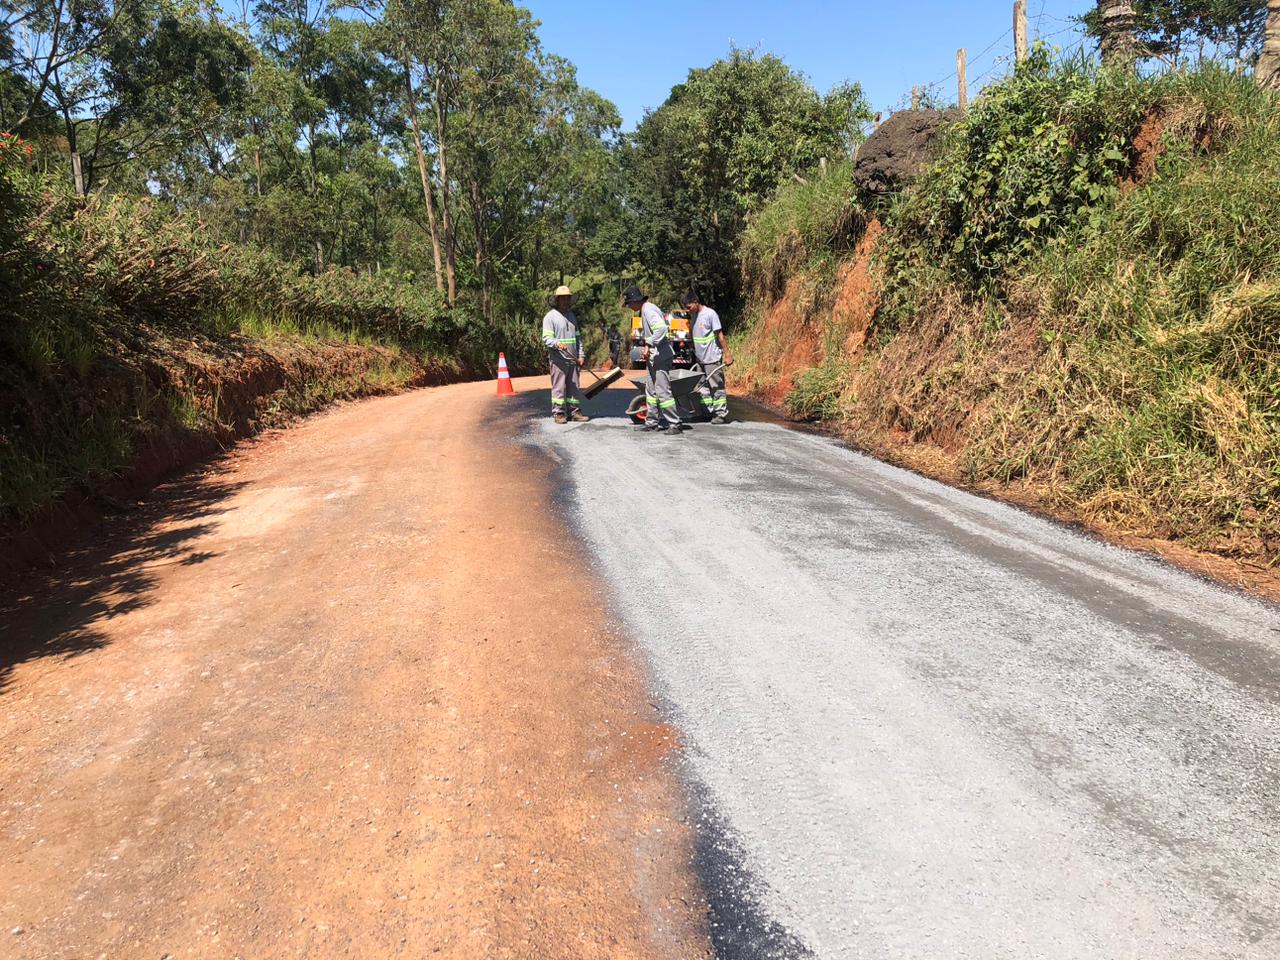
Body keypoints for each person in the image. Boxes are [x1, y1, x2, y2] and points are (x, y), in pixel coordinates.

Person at [622, 286, 681, 434]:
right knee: (651, 391)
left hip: (661, 356)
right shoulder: (645, 310)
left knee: (662, 391)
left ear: (635, 301)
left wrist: (649, 344)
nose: (628, 307)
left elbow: (661, 329)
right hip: (654, 357)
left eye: (628, 303)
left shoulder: (648, 309)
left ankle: (675, 424)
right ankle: (652, 422)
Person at [683, 292, 733, 424]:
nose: (688, 310)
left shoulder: (710, 314)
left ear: (695, 301)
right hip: (700, 359)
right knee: (702, 388)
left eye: (689, 307)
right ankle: (706, 412)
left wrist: (727, 354)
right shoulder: (694, 316)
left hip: (712, 358)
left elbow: (720, 335)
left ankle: (720, 414)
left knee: (716, 386)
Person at [542, 285, 588, 424]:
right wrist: (557, 343)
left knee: (574, 387)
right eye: (563, 299)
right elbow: (547, 338)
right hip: (559, 360)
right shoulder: (550, 317)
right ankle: (559, 413)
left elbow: (578, 337)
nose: (565, 301)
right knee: (559, 387)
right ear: (557, 300)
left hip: (573, 359)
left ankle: (575, 412)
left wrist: (581, 355)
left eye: (567, 299)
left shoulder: (572, 316)